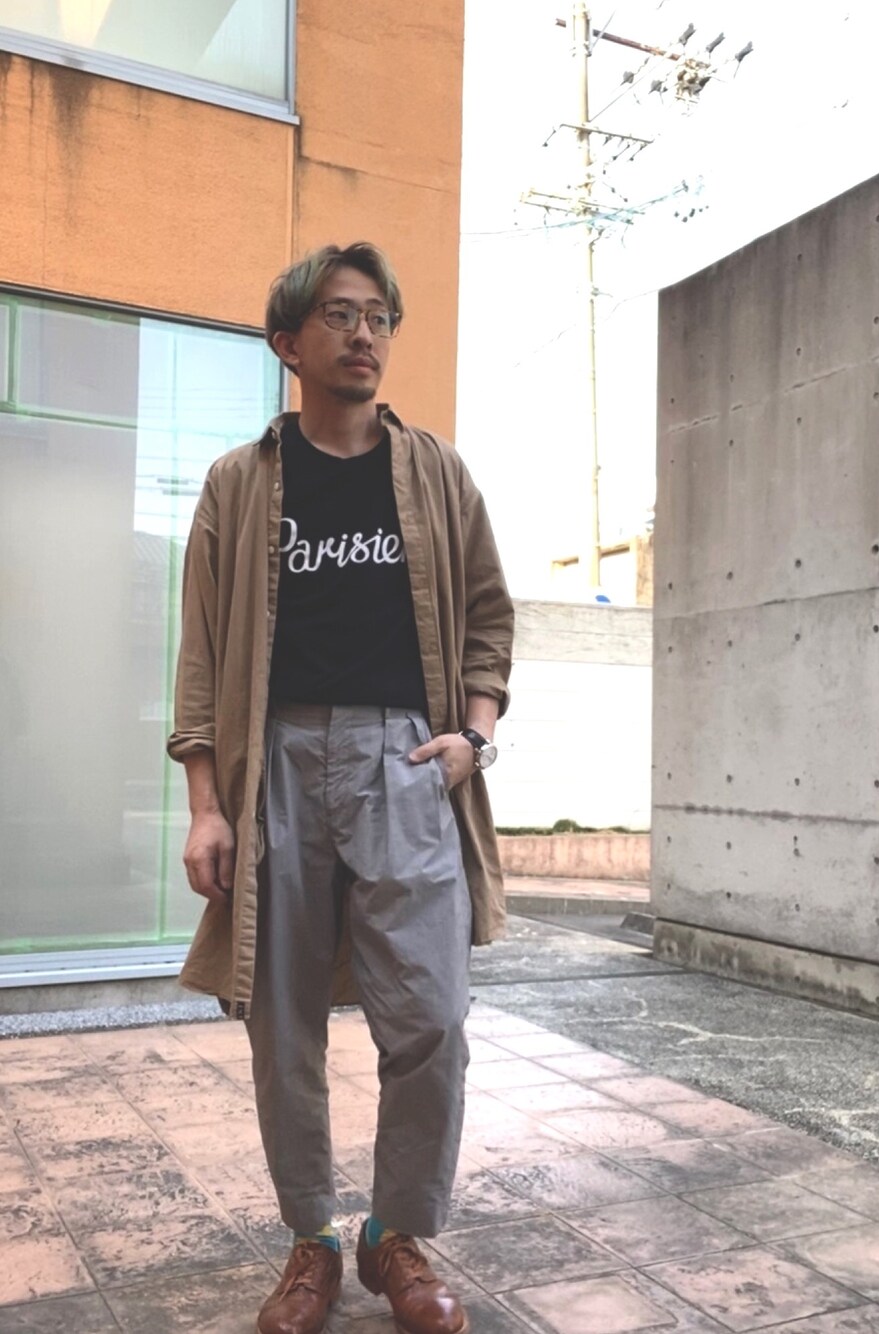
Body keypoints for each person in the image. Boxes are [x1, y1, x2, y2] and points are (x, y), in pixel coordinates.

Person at [167, 241, 513, 1334]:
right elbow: (199, 651)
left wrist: (472, 738)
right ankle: (313, 1236)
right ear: (288, 342)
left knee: (433, 1014)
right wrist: (207, 804)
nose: (364, 334)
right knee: (283, 1022)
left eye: (379, 317)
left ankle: (395, 1232)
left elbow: (489, 616)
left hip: (405, 760)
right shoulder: (241, 482)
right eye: (339, 315)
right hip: (274, 760)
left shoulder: (437, 473)